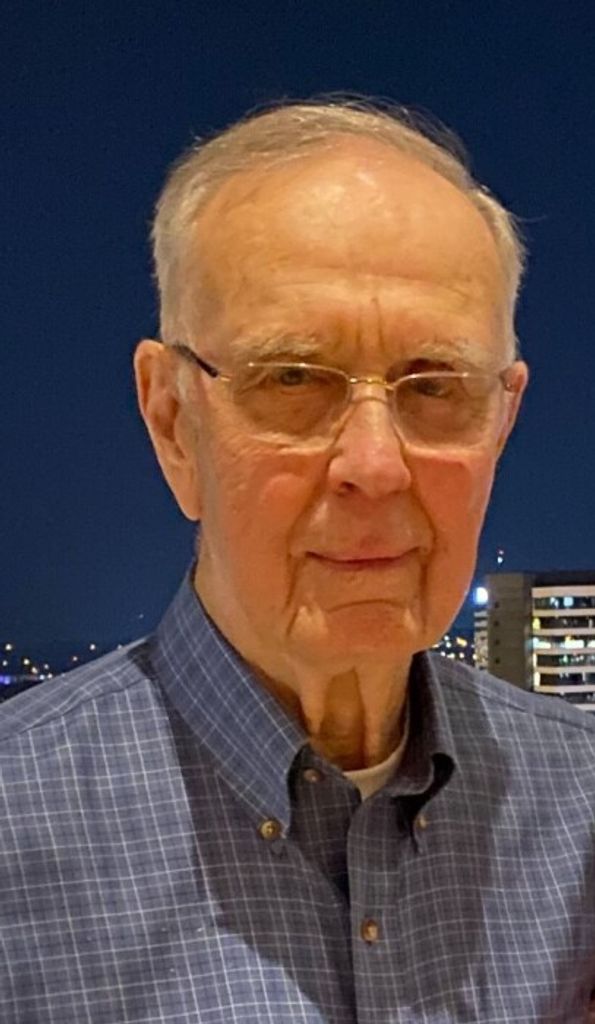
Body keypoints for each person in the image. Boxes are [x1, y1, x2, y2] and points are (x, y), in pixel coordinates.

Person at [1, 98, 594, 1023]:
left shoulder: (580, 812)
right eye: (292, 379)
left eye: (435, 385)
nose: (375, 465)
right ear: (171, 422)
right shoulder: (18, 832)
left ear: (502, 421)